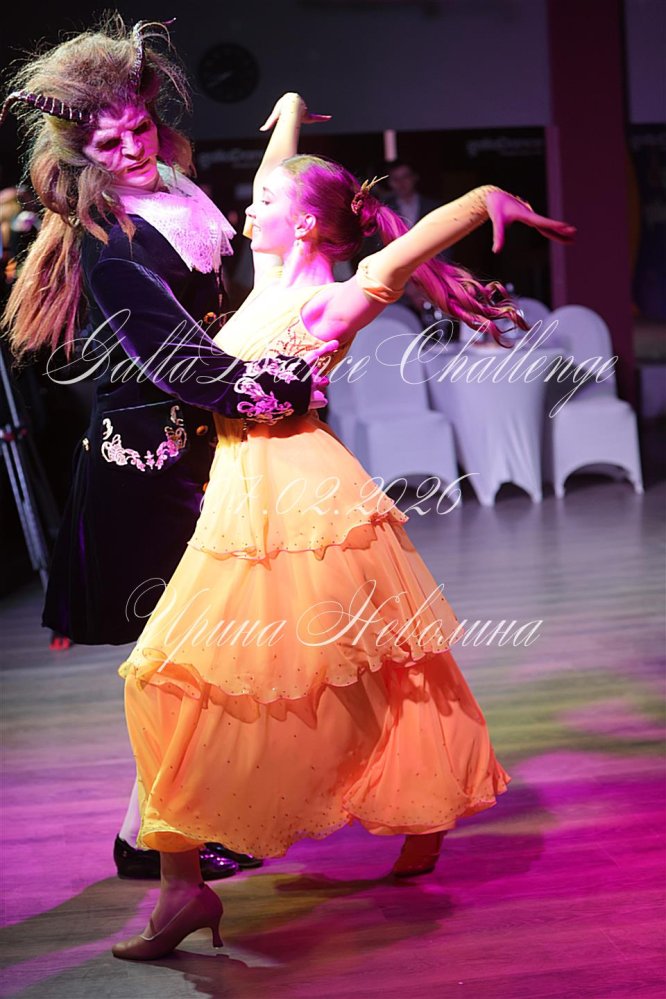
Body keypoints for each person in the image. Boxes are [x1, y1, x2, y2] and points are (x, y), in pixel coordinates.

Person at [106, 107, 575, 958]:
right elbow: (273, 182)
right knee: (180, 675)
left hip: (304, 499)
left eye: (266, 205)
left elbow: (405, 248)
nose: (247, 209)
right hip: (240, 498)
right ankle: (184, 885)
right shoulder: (266, 277)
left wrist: (483, 198)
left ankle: (415, 809)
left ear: (305, 225)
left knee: (369, 670)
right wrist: (287, 109)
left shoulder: (327, 303)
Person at [1, 17, 333, 881]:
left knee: (202, 654)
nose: (133, 148)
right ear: (82, 156)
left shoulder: (181, 193)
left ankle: (151, 833)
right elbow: (182, 361)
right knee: (188, 658)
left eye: (139, 127)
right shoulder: (108, 240)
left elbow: (236, 296)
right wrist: (284, 389)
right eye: (109, 143)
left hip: (201, 446)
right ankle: (157, 838)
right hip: (147, 464)